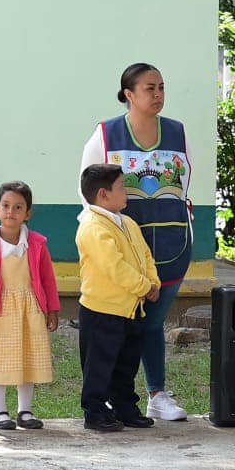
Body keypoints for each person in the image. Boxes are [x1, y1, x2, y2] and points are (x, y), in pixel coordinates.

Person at [79, 62, 193, 421]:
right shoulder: (106, 134)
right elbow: (89, 193)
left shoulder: (177, 132)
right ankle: (110, 400)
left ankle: (156, 394)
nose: (158, 94)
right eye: (149, 88)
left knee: (152, 322)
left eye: (161, 87)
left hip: (171, 245)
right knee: (123, 329)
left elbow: (183, 187)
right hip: (123, 251)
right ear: (129, 94)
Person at [76, 164, 161, 432]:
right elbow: (114, 266)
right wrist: (143, 287)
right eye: (122, 186)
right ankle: (95, 411)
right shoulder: (92, 226)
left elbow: (145, 255)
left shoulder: (128, 222)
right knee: (99, 365)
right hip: (102, 310)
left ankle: (125, 406)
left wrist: (153, 281)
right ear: (103, 194)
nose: (127, 191)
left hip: (131, 309)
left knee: (126, 364)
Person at [0, 181, 60, 430]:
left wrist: (52, 309)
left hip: (29, 309)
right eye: (6, 206)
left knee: (27, 358)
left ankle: (25, 410)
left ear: (28, 213)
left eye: (18, 207)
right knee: (0, 360)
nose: (11, 212)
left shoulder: (37, 244)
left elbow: (47, 278)